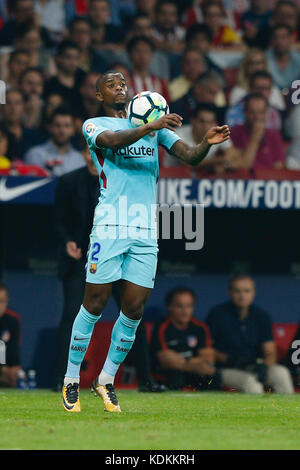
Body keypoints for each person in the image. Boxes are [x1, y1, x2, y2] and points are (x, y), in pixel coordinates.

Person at [62, 70, 230, 413]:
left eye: (123, 82)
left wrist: (205, 146)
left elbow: (189, 154)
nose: (119, 87)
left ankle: (106, 380)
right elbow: (112, 142)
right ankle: (70, 379)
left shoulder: (155, 128)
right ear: (99, 95)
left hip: (145, 228)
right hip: (110, 223)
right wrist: (151, 127)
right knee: (94, 303)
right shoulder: (93, 125)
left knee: (134, 308)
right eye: (111, 84)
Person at [206, 275, 294, 394]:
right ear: (229, 292)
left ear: (253, 293)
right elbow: (207, 349)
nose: (242, 295)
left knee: (281, 373)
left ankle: (289, 413)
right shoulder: (217, 314)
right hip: (227, 368)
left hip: (254, 366)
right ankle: (259, 413)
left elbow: (270, 351)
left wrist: (264, 366)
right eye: (237, 291)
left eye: (247, 291)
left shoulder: (261, 316)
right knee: (251, 383)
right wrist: (231, 359)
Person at [150, 287, 222, 391]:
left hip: (193, 371)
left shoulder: (201, 328)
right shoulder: (162, 327)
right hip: (168, 373)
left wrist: (182, 362)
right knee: (175, 376)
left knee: (212, 374)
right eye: (180, 306)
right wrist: (193, 364)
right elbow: (167, 361)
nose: (185, 311)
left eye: (189, 306)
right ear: (169, 307)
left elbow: (208, 360)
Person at [164, 103, 237, 174]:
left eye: (210, 122)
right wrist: (216, 162)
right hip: (172, 178)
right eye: (202, 121)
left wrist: (225, 166)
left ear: (215, 123)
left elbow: (234, 157)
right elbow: (188, 162)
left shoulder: (218, 134)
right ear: (193, 121)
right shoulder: (178, 134)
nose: (206, 127)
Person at [229, 93, 285, 170]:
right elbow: (241, 167)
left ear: (266, 113)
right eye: (252, 112)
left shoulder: (274, 135)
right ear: (245, 112)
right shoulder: (234, 133)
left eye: (261, 112)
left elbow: (279, 167)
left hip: (268, 179)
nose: (257, 117)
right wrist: (255, 139)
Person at [25, 107, 84, 175]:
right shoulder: (35, 155)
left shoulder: (80, 160)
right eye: (58, 125)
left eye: (67, 126)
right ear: (50, 127)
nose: (62, 130)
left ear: (73, 130)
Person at [127, 35, 170, 101]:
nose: (142, 56)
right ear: (130, 54)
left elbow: (168, 104)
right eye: (137, 51)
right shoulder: (125, 82)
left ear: (152, 55)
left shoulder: (159, 83)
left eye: (146, 51)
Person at [266, 24, 300, 91]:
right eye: (276, 37)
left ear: (291, 38)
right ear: (272, 40)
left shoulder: (298, 59)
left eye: (283, 37)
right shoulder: (263, 59)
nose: (279, 41)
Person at [0, 281, 21, 387]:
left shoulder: (12, 320)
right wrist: (2, 369)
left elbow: (14, 348)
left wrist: (15, 368)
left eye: (2, 301)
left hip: (6, 374)